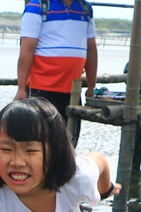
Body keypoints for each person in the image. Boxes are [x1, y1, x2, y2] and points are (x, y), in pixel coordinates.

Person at [15, 0, 98, 144]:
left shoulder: (85, 9)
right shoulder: (37, 7)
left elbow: (91, 49)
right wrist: (21, 88)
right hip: (41, 89)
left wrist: (91, 86)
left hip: (72, 91)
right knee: (39, 141)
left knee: (69, 142)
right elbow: (26, 49)